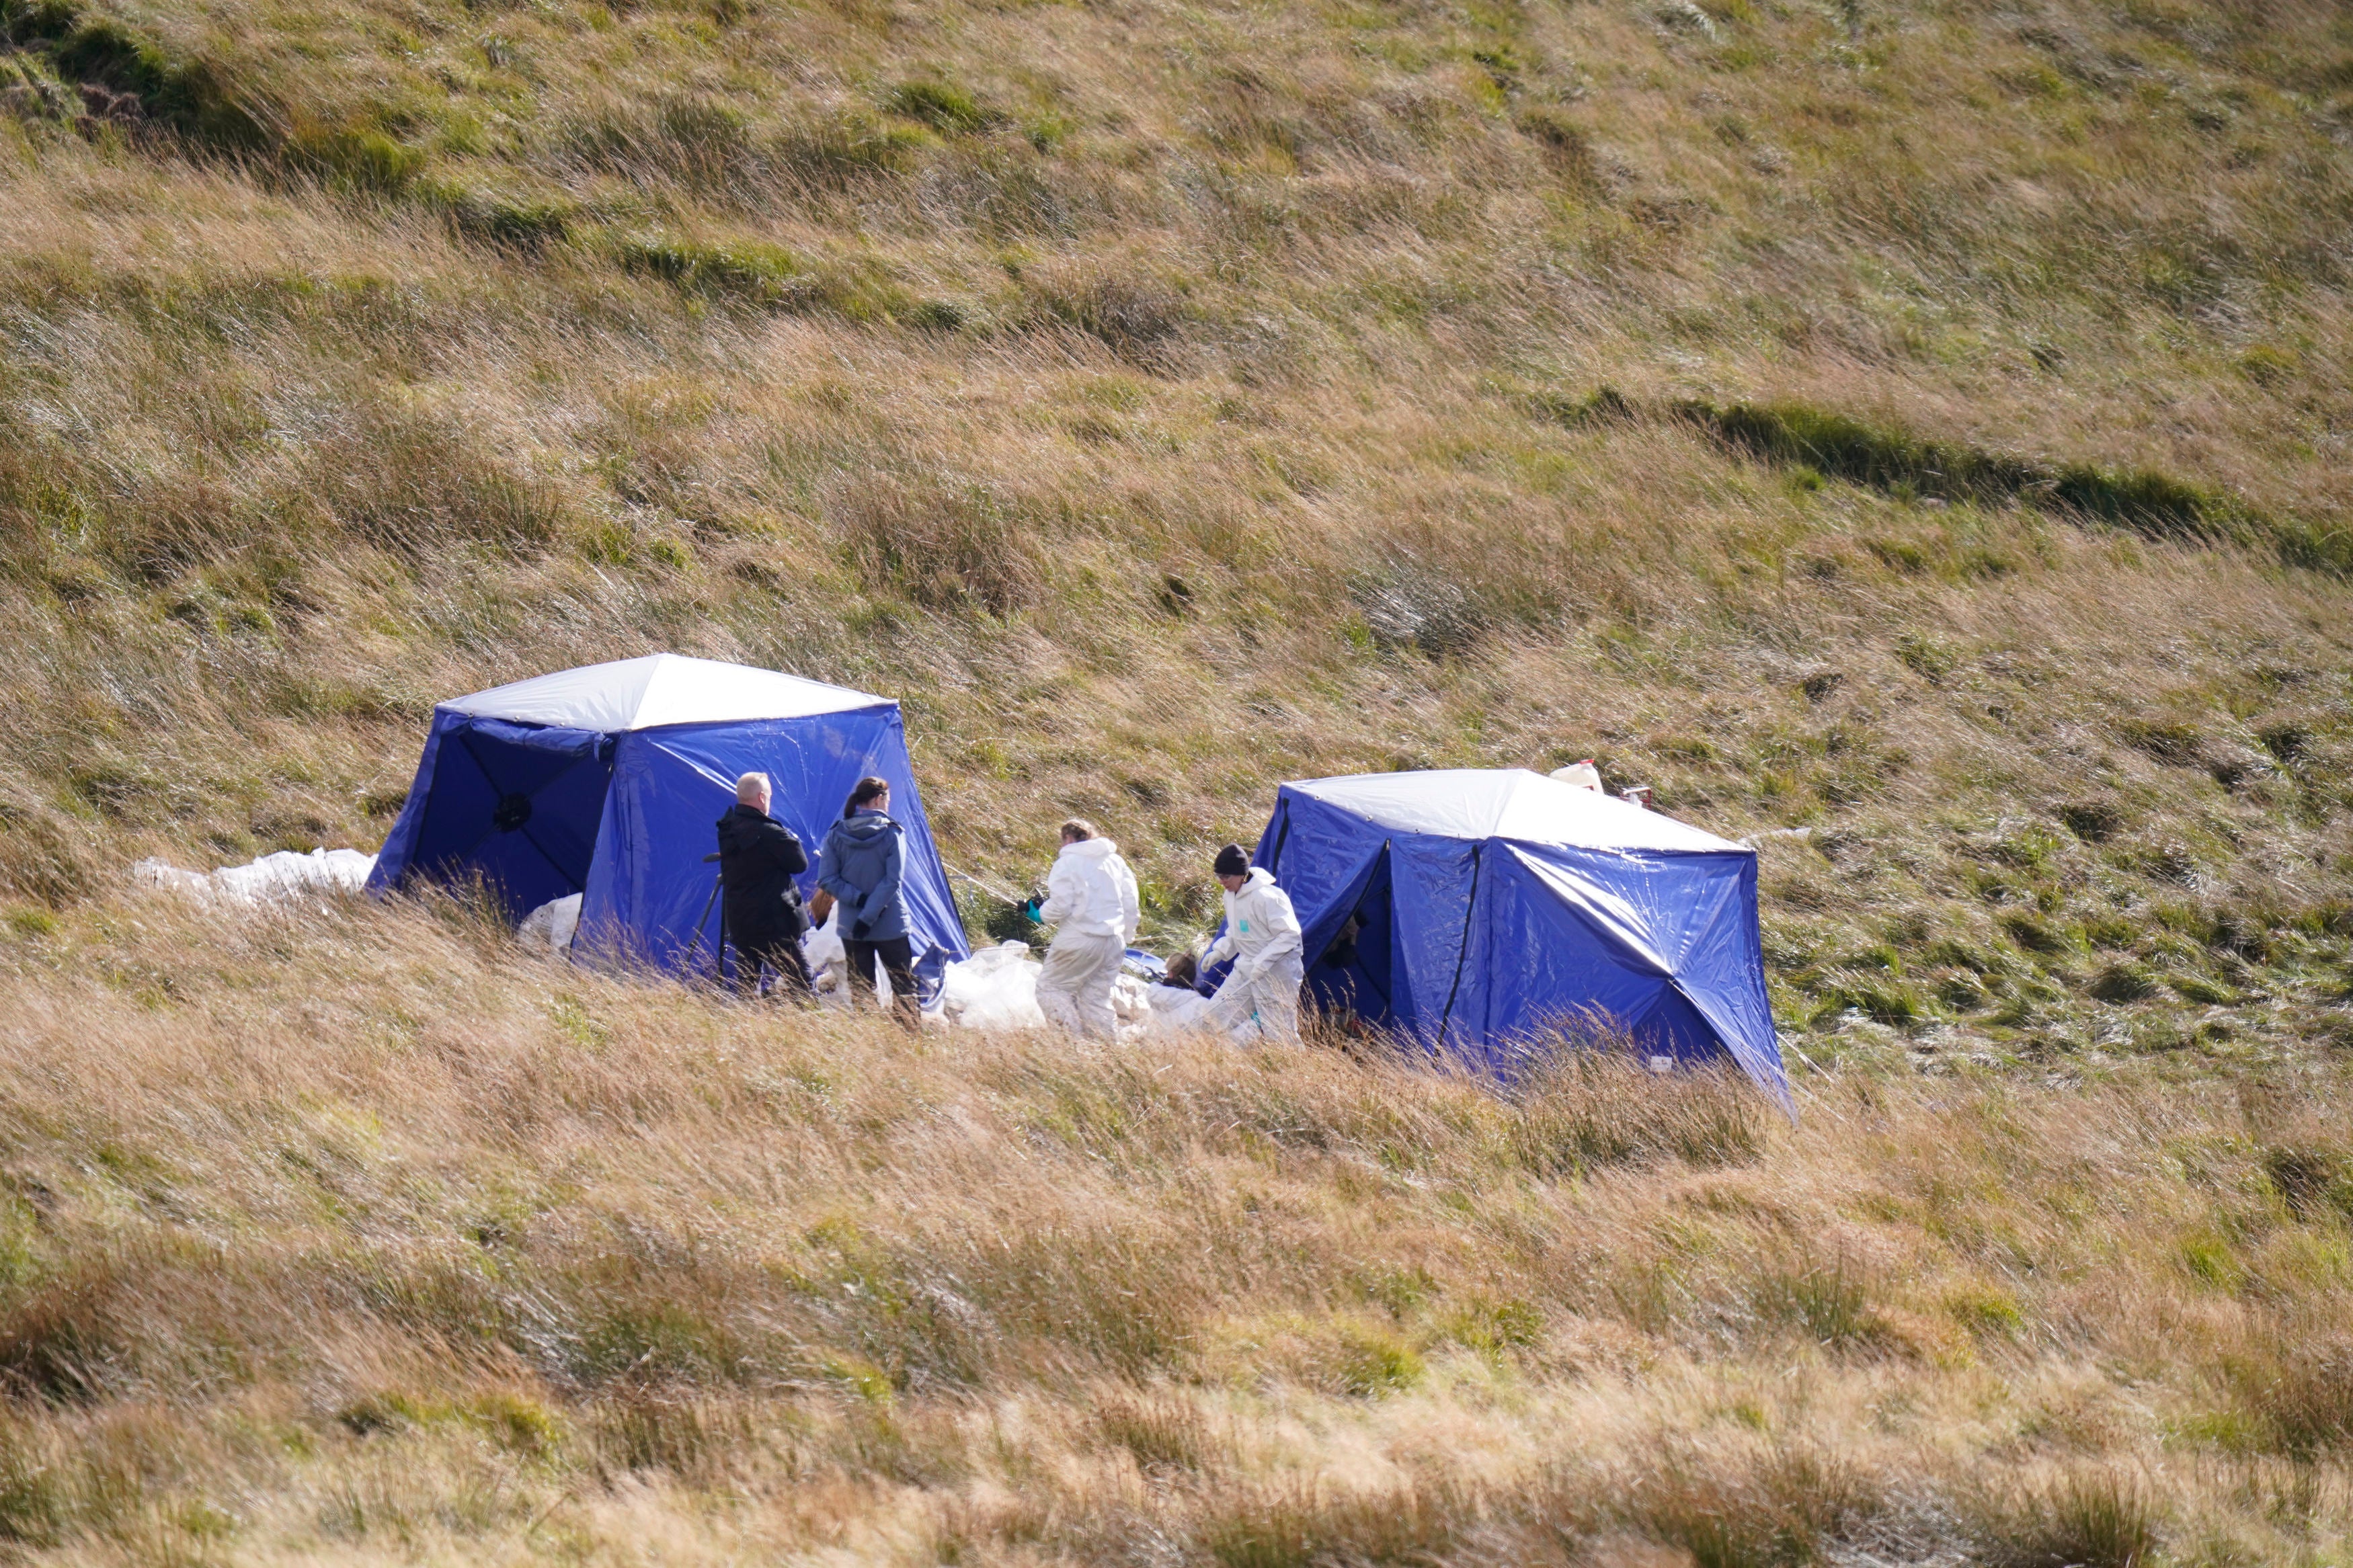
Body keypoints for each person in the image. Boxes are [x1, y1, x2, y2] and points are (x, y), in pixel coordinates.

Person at [818, 776, 920, 1028]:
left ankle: (870, 1041)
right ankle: (909, 1042)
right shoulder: (892, 833)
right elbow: (892, 881)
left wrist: (858, 902)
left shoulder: (836, 834)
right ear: (879, 799)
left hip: (852, 926)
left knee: (861, 989)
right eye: (888, 801)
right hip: (890, 925)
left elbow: (827, 879)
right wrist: (871, 914)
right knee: (903, 987)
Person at [1031, 818, 1140, 1042]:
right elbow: (1131, 902)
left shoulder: (1068, 863)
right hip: (1113, 941)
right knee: (1096, 998)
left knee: (1051, 988)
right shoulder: (1115, 861)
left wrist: (1039, 914)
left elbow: (1061, 905)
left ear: (1068, 838)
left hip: (1080, 938)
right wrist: (1127, 935)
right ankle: (1107, 1050)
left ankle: (1072, 1046)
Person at [714, 772, 812, 1000]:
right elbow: (800, 863)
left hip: (741, 921)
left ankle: (748, 1030)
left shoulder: (727, 830)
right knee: (803, 982)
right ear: (761, 798)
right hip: (774, 924)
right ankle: (812, 1026)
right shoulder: (770, 833)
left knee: (748, 987)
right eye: (769, 795)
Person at [1202, 843, 1304, 1044]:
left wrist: (1263, 962)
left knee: (1280, 1034)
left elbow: (1290, 935)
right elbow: (1238, 931)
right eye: (1219, 877)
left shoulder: (1269, 898)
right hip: (1246, 968)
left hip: (1277, 973)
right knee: (1214, 1019)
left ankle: (1290, 1071)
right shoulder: (1230, 896)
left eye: (1226, 877)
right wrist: (1220, 952)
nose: (1222, 882)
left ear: (1241, 874)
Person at [1144, 950, 1218, 1036]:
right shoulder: (1201, 1004)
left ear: (1170, 974)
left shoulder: (1154, 993)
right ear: (1194, 974)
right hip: (1182, 1048)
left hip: (1151, 1046)